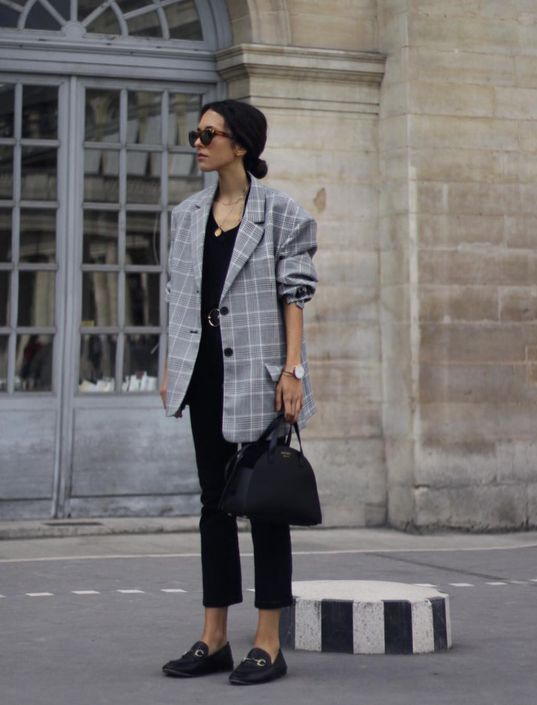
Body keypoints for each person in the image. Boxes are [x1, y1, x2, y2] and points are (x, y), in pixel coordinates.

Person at [159, 99, 317, 685]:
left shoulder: (281, 212)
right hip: (203, 373)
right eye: (195, 134)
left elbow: (295, 294)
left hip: (259, 375)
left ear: (241, 144)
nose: (198, 144)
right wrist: (171, 366)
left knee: (265, 506)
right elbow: (177, 296)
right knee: (213, 505)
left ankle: (269, 643)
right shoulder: (187, 215)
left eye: (209, 134)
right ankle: (215, 637)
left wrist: (292, 370)